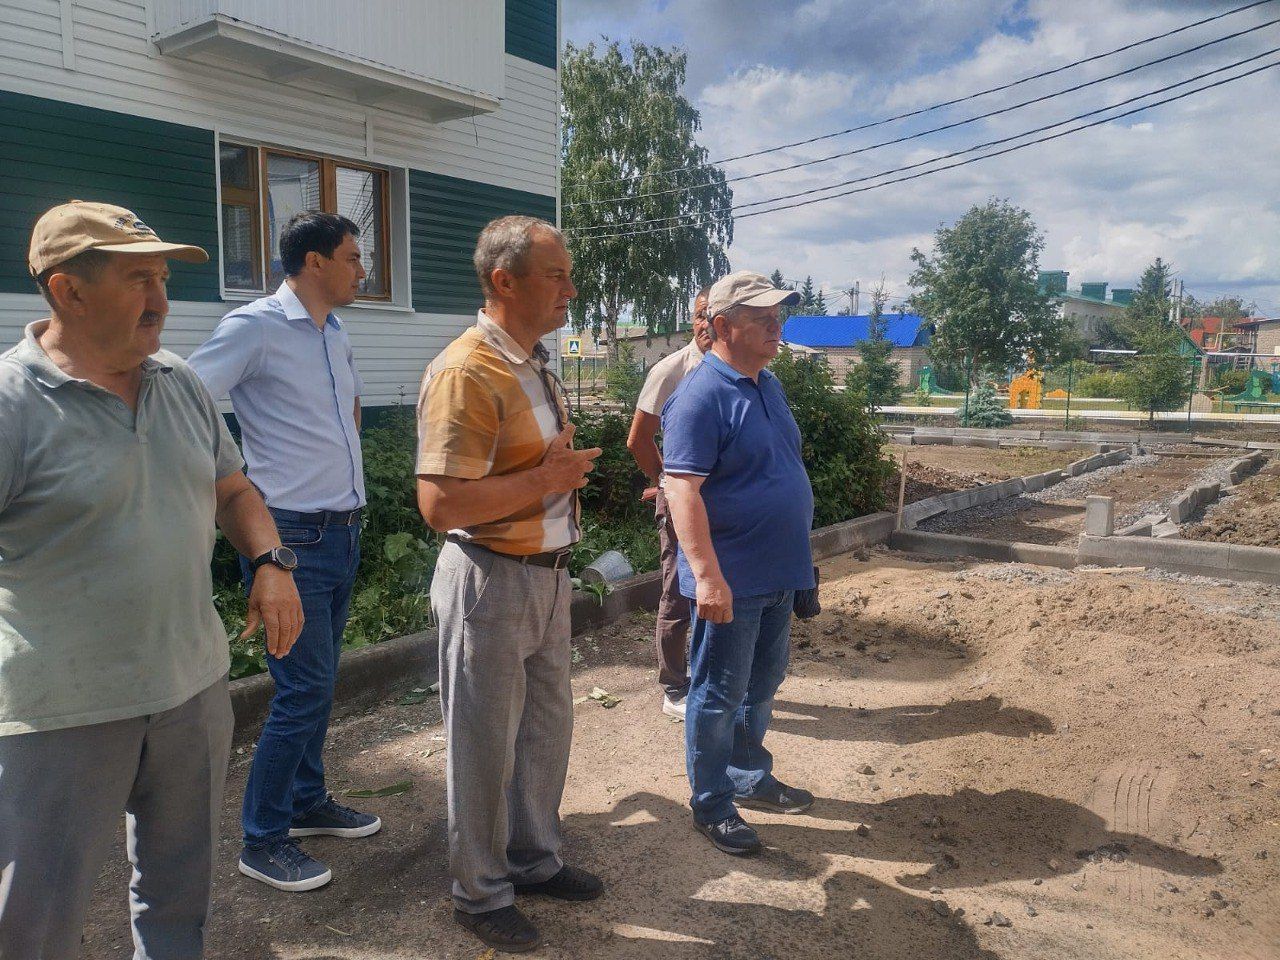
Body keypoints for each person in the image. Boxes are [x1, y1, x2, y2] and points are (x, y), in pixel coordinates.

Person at [0, 200, 303, 957]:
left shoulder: (180, 381)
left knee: (177, 907)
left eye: (162, 278)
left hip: (192, 693)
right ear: (67, 291)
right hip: (60, 715)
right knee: (33, 923)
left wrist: (270, 562)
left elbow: (231, 489)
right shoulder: (10, 405)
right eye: (139, 280)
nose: (162, 301)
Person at [417, 215, 603, 953]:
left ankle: (531, 860)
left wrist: (548, 479)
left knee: (543, 732)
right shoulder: (469, 369)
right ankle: (479, 892)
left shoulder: (531, 360)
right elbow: (439, 505)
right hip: (490, 581)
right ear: (505, 281)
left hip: (546, 577)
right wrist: (546, 479)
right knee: (483, 744)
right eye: (556, 275)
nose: (571, 289)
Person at [188, 211, 376, 893]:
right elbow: (186, 392)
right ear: (315, 262)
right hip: (289, 536)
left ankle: (304, 802)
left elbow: (348, 410)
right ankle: (261, 839)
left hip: (342, 529)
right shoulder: (256, 327)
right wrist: (239, 474)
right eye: (354, 257)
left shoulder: (336, 331)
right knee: (303, 690)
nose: (363, 268)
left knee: (316, 687)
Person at [661, 270, 816, 857]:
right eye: (763, 317)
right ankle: (711, 804)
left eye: (779, 315)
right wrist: (706, 577)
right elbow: (683, 491)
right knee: (718, 692)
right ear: (724, 326)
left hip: (778, 572)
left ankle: (749, 776)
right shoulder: (701, 396)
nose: (777, 325)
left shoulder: (766, 384)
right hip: (732, 579)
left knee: (763, 682)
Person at [626, 287, 712, 720]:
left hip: (723, 504)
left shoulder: (737, 368)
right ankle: (675, 685)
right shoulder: (672, 371)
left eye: (714, 314)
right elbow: (638, 440)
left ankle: (712, 675)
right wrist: (664, 483)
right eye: (700, 314)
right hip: (681, 504)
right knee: (679, 591)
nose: (706, 323)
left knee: (718, 587)